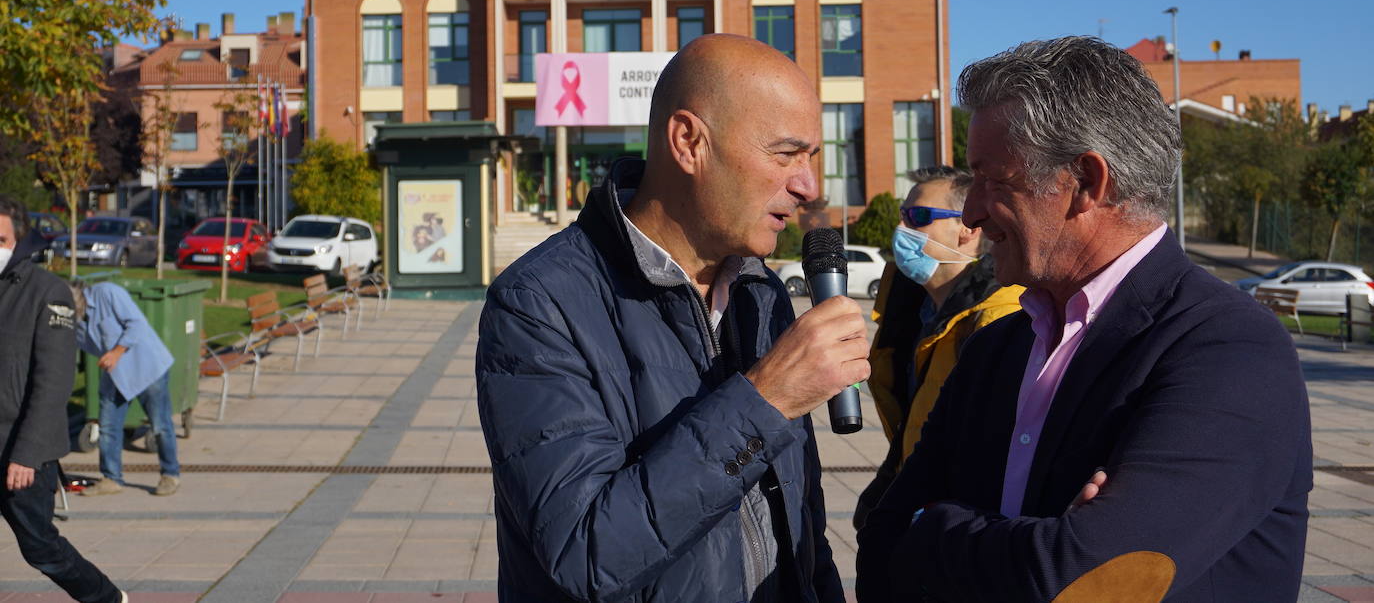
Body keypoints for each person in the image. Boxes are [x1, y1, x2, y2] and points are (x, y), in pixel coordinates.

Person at [856, 37, 1311, 603]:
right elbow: (881, 543)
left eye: (993, 179)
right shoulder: (996, 347)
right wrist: (1033, 543)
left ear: (1087, 183)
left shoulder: (1229, 349)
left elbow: (1083, 578)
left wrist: (932, 527)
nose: (971, 212)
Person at [476, 34, 868, 602]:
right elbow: (585, 553)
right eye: (786, 154)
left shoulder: (762, 295)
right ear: (689, 142)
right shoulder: (538, 304)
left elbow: (802, 523)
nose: (808, 185)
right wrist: (768, 398)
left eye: (812, 158)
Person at [853, 167, 1023, 531]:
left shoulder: (998, 316)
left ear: (968, 228)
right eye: (903, 215)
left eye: (919, 217)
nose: (902, 229)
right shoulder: (912, 313)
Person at [0, 196, 126, 603]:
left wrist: (28, 453)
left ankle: (107, 598)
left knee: (40, 546)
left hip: (19, 451)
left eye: (0, 238)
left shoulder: (47, 291)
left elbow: (53, 380)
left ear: (17, 241)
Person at [72, 281, 181, 497]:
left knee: (160, 425)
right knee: (108, 428)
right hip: (116, 375)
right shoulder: (74, 320)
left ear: (77, 298)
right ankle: (111, 478)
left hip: (147, 367)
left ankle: (170, 474)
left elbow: (137, 324)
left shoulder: (108, 293)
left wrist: (116, 352)